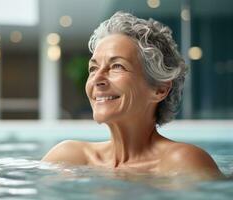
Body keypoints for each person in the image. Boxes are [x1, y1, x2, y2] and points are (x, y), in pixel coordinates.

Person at [42, 11, 224, 180]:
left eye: (117, 66)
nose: (97, 79)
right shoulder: (68, 158)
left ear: (159, 89)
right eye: (93, 68)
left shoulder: (183, 163)